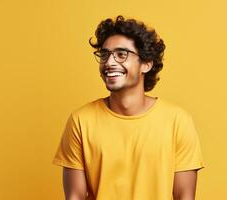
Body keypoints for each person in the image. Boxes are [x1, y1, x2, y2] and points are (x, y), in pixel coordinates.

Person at [52, 15, 205, 200]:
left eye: (121, 54)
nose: (109, 62)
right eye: (105, 54)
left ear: (146, 64)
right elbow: (74, 197)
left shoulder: (178, 122)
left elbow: (185, 196)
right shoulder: (80, 121)